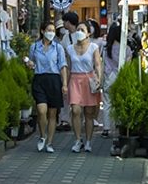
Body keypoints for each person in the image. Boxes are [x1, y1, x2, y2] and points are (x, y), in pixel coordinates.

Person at [26, 23, 68, 153]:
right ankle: (42, 136)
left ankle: (49, 142)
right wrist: (29, 63)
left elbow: (62, 65)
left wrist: (65, 83)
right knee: (41, 110)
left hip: (54, 80)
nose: (51, 33)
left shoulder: (58, 48)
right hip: (39, 79)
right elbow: (30, 62)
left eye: (53, 30)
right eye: (49, 30)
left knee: (52, 113)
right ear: (43, 31)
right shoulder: (34, 47)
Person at [67, 22, 103, 153]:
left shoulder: (94, 47)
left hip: (89, 80)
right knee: (75, 110)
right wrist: (65, 83)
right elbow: (68, 66)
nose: (79, 32)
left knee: (89, 113)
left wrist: (98, 78)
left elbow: (98, 64)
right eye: (77, 29)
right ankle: (77, 140)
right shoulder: (70, 48)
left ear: (88, 33)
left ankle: (88, 141)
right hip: (75, 79)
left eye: (82, 30)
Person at [100, 22, 130, 138]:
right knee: (119, 103)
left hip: (108, 78)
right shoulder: (126, 48)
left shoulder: (106, 48)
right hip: (120, 77)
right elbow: (127, 64)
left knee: (107, 103)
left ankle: (106, 129)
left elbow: (102, 64)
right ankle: (119, 124)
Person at [56, 12, 81, 129]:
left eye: (65, 21)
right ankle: (64, 120)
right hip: (68, 68)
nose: (64, 24)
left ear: (69, 22)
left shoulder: (81, 34)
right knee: (65, 95)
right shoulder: (66, 37)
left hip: (80, 70)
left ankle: (80, 119)